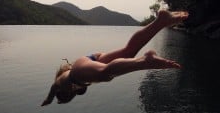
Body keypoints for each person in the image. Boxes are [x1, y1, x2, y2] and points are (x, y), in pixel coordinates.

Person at [41, 10, 189, 106]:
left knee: (105, 74)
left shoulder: (60, 84)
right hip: (90, 59)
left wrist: (49, 99)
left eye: (62, 99)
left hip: (79, 69)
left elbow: (53, 88)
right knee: (128, 52)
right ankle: (161, 21)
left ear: (61, 94)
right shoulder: (73, 89)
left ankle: (145, 61)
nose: (64, 100)